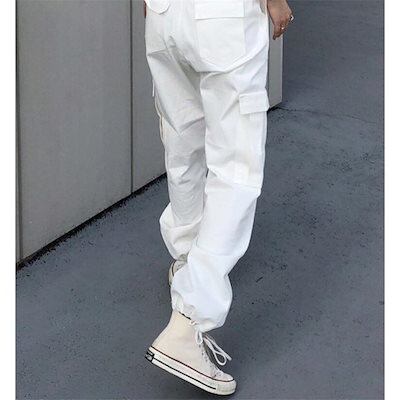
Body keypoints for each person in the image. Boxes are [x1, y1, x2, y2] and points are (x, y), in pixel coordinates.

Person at [143, 0, 293, 395]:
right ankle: (190, 320)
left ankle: (186, 261)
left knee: (182, 144)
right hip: (223, 17)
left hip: (163, 14)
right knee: (236, 168)